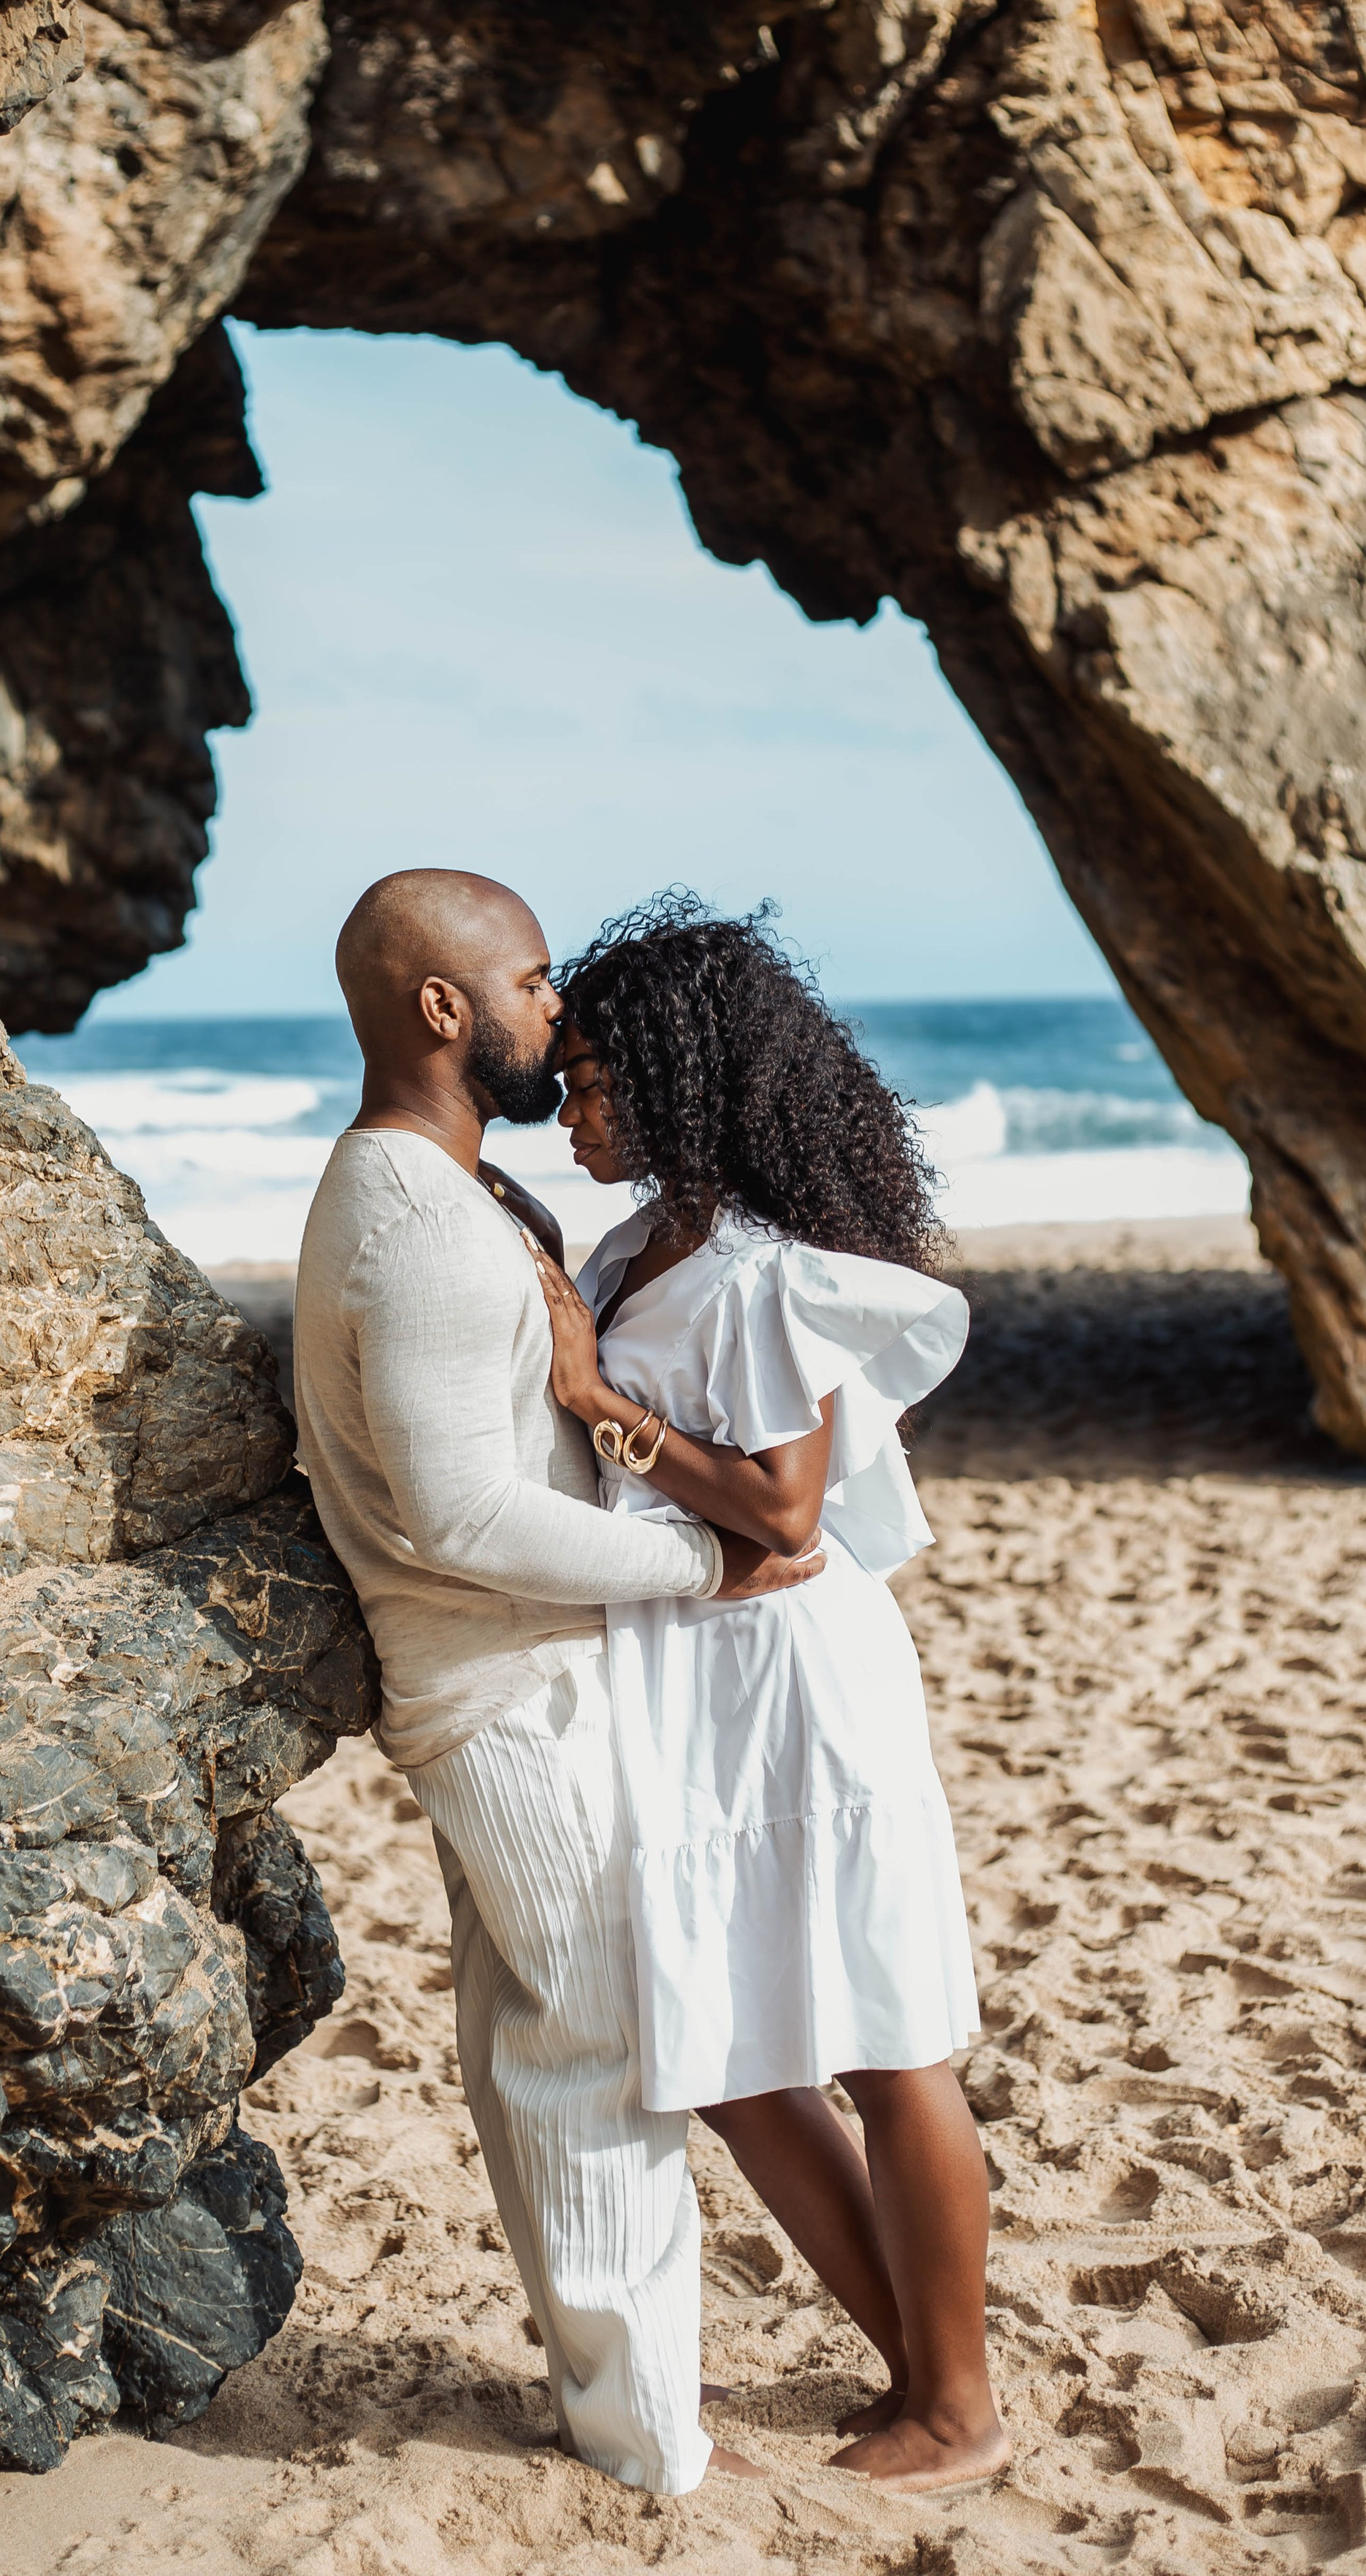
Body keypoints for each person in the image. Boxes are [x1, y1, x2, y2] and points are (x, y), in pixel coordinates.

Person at [293, 868, 826, 2498]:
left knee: (540, 2046)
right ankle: (648, 2442)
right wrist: (704, 1564)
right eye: (530, 984)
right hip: (499, 1696)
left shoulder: (425, 1192)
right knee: (595, 2049)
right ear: (440, 1010)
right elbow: (459, 1512)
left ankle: (612, 2403)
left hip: (498, 1685)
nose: (555, 1011)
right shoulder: (416, 1216)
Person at [520, 892, 1010, 2495]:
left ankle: (958, 2407)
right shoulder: (631, 1242)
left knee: (884, 2045)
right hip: (694, 1677)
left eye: (593, 1077)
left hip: (791, 1674)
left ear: (676, 1080)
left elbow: (784, 1509)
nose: (567, 1104)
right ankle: (922, 2373)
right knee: (733, 2065)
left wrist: (597, 1404)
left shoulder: (743, 1269)